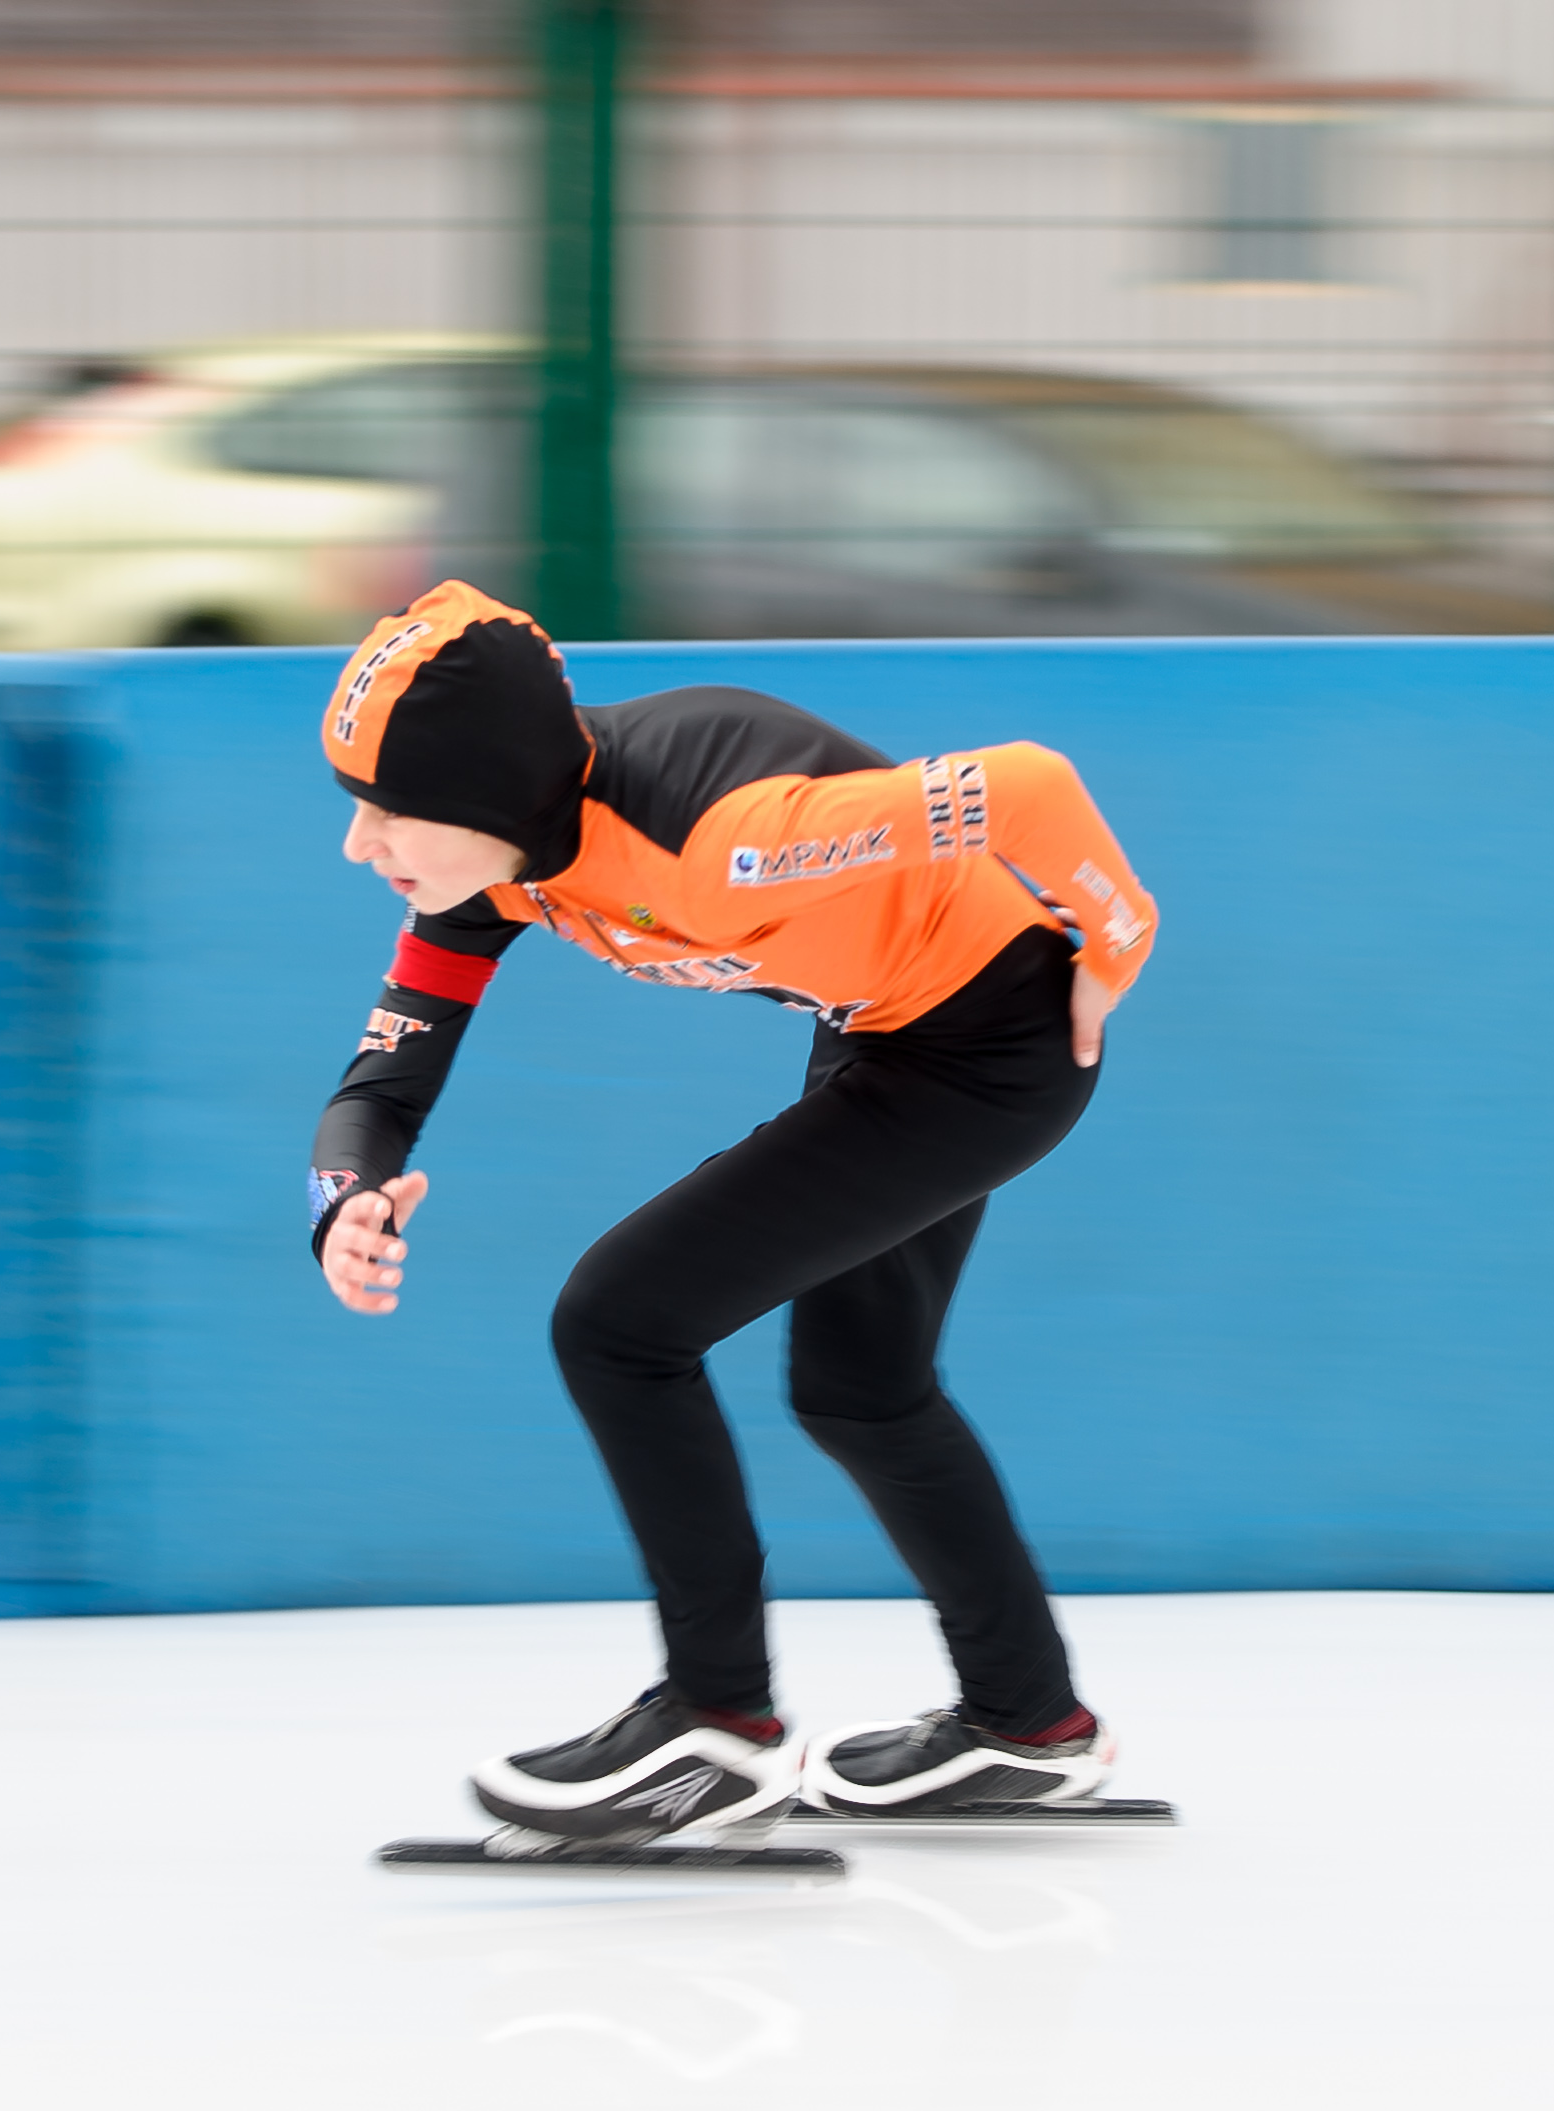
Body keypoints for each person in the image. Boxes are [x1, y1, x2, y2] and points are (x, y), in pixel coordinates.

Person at [307, 581, 1158, 1844]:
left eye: (385, 810)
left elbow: (1026, 788)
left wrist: (1115, 944)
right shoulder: (501, 865)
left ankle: (715, 1724)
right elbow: (387, 1071)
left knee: (619, 1322)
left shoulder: (727, 838)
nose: (359, 843)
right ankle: (1029, 1727)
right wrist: (342, 1194)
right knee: (860, 1389)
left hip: (991, 1053)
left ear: (483, 793)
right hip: (893, 1032)